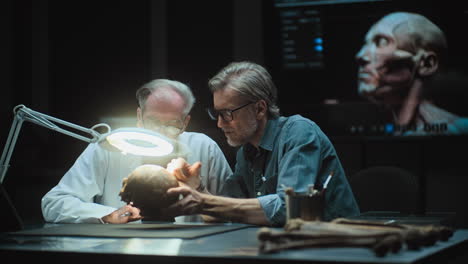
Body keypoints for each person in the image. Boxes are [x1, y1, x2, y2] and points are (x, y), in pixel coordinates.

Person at [165, 61, 360, 226]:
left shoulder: (299, 132)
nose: (220, 123)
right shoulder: (246, 151)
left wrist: (203, 201)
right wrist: (196, 188)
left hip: (339, 249)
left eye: (228, 113)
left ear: (259, 109)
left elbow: (289, 209)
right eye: (217, 114)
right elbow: (221, 212)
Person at [41, 79, 233, 224]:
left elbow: (235, 211)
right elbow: (54, 203)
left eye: (172, 124)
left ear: (185, 123)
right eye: (153, 122)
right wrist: (108, 215)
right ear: (139, 117)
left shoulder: (204, 148)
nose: (161, 132)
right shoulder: (111, 146)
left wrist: (199, 190)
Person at [355, 11, 468, 135]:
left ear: (427, 64)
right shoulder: (380, 129)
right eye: (366, 44)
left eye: (382, 42)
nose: (360, 56)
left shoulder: (458, 129)